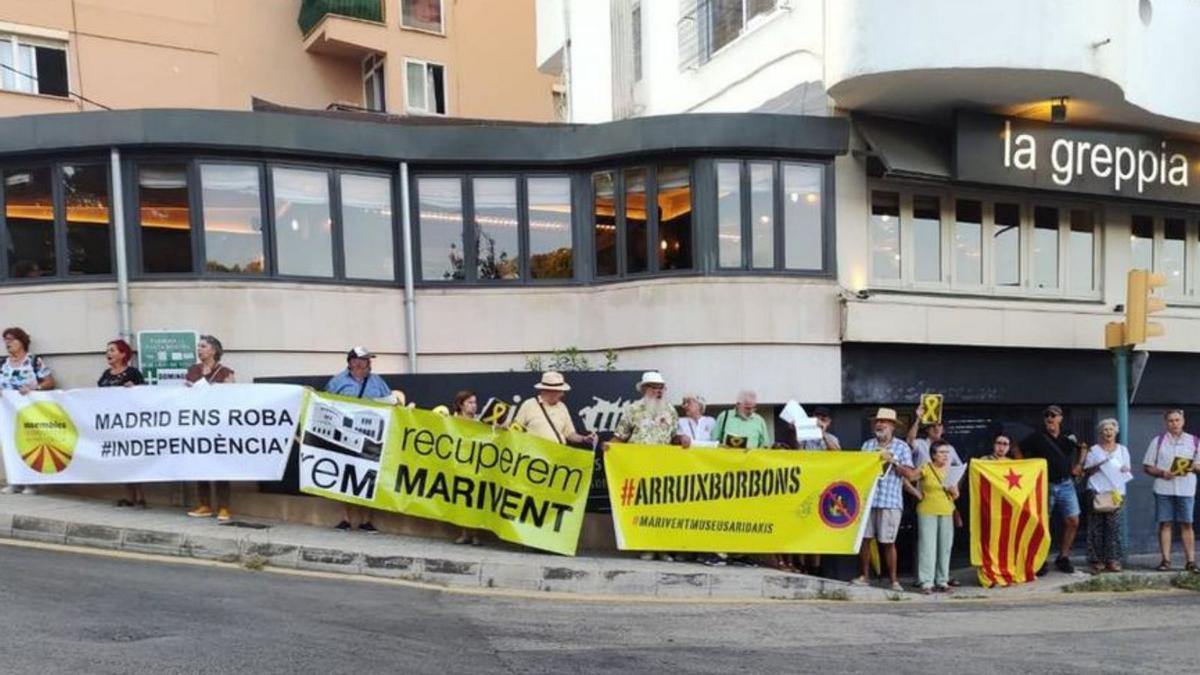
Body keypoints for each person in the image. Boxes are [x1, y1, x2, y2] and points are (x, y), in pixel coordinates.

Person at [611, 371, 690, 562]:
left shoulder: (670, 410)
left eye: (661, 387)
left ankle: (662, 548)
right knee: (642, 508)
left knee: (661, 509)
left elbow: (673, 437)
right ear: (645, 389)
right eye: (654, 387)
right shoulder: (632, 409)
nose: (658, 391)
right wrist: (610, 447)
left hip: (663, 467)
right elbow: (621, 436)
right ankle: (645, 546)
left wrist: (683, 438)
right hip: (637, 467)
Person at [325, 347, 389, 533]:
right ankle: (346, 519)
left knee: (369, 477)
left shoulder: (377, 381)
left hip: (371, 438)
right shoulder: (337, 382)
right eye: (365, 359)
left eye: (369, 360)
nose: (368, 363)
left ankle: (366, 520)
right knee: (345, 476)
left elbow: (390, 401)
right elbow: (326, 404)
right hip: (345, 437)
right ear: (353, 362)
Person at [852, 407, 917, 591]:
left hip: (890, 501)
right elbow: (858, 470)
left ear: (892, 426)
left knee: (888, 542)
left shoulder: (902, 447)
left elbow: (911, 475)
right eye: (877, 422)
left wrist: (893, 461)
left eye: (884, 422)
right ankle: (865, 576)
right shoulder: (867, 446)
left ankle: (894, 580)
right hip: (868, 500)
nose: (879, 424)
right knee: (865, 539)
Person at [1016, 405, 1084, 574]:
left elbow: (1083, 447)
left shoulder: (1068, 436)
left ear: (1060, 418)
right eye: (1047, 415)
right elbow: (1016, 448)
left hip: (1066, 484)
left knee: (1073, 520)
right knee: (1042, 523)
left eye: (1053, 415)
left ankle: (1063, 556)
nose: (1049, 418)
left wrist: (1079, 465)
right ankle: (1040, 559)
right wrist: (1023, 468)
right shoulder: (1037, 437)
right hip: (1045, 485)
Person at [184, 335, 236, 522]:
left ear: (214, 350)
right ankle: (204, 504)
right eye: (199, 347)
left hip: (218, 425)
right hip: (198, 424)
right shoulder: (193, 371)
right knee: (201, 465)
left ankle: (224, 507)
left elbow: (231, 397)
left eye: (203, 346)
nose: (199, 350)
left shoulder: (226, 372)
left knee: (220, 466)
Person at [0, 327, 56, 495]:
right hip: (8, 412)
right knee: (10, 444)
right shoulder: (3, 363)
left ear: (22, 342)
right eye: (5, 340)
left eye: (12, 339)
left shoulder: (33, 361)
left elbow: (49, 381)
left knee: (30, 443)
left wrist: (35, 388)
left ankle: (32, 482)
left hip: (29, 410)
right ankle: (15, 480)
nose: (8, 343)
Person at [1142, 409, 1199, 573]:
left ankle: (1191, 561)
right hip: (1163, 488)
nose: (1174, 424)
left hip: (1186, 489)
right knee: (1165, 523)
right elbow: (1147, 466)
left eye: (1177, 420)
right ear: (1166, 422)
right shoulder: (1158, 441)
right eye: (1171, 421)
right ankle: (1165, 560)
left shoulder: (1194, 441)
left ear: (1183, 421)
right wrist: (1162, 473)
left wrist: (1195, 466)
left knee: (1187, 524)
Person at [98, 339, 148, 508]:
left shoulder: (133, 373)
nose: (108, 353)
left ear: (123, 354)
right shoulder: (106, 375)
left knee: (134, 459)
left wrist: (133, 389)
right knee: (122, 461)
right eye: (107, 350)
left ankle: (141, 497)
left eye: (112, 350)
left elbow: (145, 395)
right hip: (113, 424)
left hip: (131, 424)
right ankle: (129, 496)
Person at [1083, 419, 1131, 574]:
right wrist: (1100, 464)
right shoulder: (1094, 449)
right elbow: (1087, 470)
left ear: (1116, 432)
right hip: (1097, 490)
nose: (1108, 433)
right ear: (1100, 433)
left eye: (1111, 429)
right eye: (1105, 430)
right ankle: (1096, 560)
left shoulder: (1122, 450)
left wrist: (1124, 469)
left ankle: (1113, 559)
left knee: (1113, 527)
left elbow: (1127, 468)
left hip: (1115, 492)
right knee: (1095, 527)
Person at [915, 440, 959, 593]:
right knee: (927, 546)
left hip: (946, 510)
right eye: (941, 452)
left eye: (947, 452)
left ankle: (942, 580)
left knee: (945, 547)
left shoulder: (951, 470)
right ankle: (926, 581)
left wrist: (952, 489)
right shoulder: (925, 467)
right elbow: (909, 478)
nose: (945, 456)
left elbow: (956, 495)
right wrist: (916, 493)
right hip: (927, 509)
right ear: (933, 455)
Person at [511, 371, 597, 447]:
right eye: (560, 391)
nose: (562, 394)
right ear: (549, 391)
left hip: (558, 457)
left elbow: (569, 434)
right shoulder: (529, 405)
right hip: (535, 457)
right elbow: (515, 430)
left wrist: (584, 439)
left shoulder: (562, 407)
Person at [453, 389, 484, 546]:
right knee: (461, 499)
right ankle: (464, 533)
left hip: (476, 466)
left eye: (475, 402)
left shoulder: (480, 421)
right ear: (461, 404)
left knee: (476, 500)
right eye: (470, 403)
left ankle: (476, 534)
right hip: (459, 465)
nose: (474, 406)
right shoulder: (451, 421)